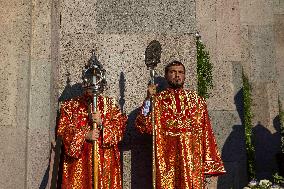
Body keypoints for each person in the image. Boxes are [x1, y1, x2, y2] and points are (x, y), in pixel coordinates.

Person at [135, 60, 226, 188]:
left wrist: (208, 162)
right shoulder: (158, 100)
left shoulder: (196, 100)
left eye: (180, 72)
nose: (177, 75)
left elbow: (206, 132)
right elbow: (144, 127)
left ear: (184, 76)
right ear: (166, 76)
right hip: (166, 161)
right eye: (173, 72)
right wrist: (149, 99)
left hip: (192, 161)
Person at [57, 73, 127, 189]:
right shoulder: (71, 106)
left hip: (105, 161)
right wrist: (84, 135)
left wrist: (102, 123)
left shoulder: (110, 105)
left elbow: (120, 130)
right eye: (90, 80)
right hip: (79, 164)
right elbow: (63, 131)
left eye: (97, 80)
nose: (93, 84)